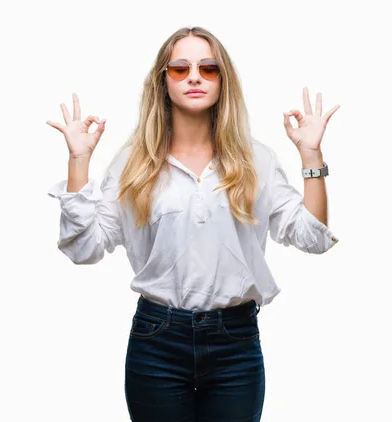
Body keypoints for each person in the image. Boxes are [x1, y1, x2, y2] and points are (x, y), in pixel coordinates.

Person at [46, 26, 340, 422]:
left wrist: (310, 156)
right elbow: (84, 248)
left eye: (208, 68)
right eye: (180, 68)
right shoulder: (134, 162)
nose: (195, 77)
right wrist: (78, 161)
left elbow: (312, 237)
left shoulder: (256, 159)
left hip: (235, 343)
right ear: (162, 81)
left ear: (224, 81)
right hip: (157, 341)